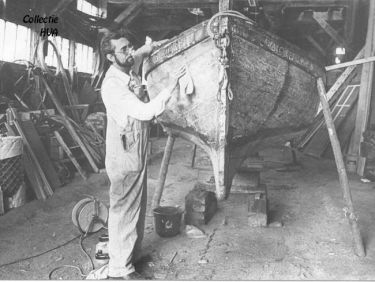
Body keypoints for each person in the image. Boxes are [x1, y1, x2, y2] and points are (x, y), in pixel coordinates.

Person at [98, 32, 185, 279]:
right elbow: (147, 112)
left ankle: (131, 257)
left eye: (130, 47)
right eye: (124, 49)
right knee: (124, 209)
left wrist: (152, 46)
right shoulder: (113, 85)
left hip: (136, 148)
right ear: (109, 56)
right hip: (124, 154)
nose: (130, 52)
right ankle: (120, 269)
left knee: (137, 206)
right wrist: (171, 86)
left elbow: (139, 54)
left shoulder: (126, 66)